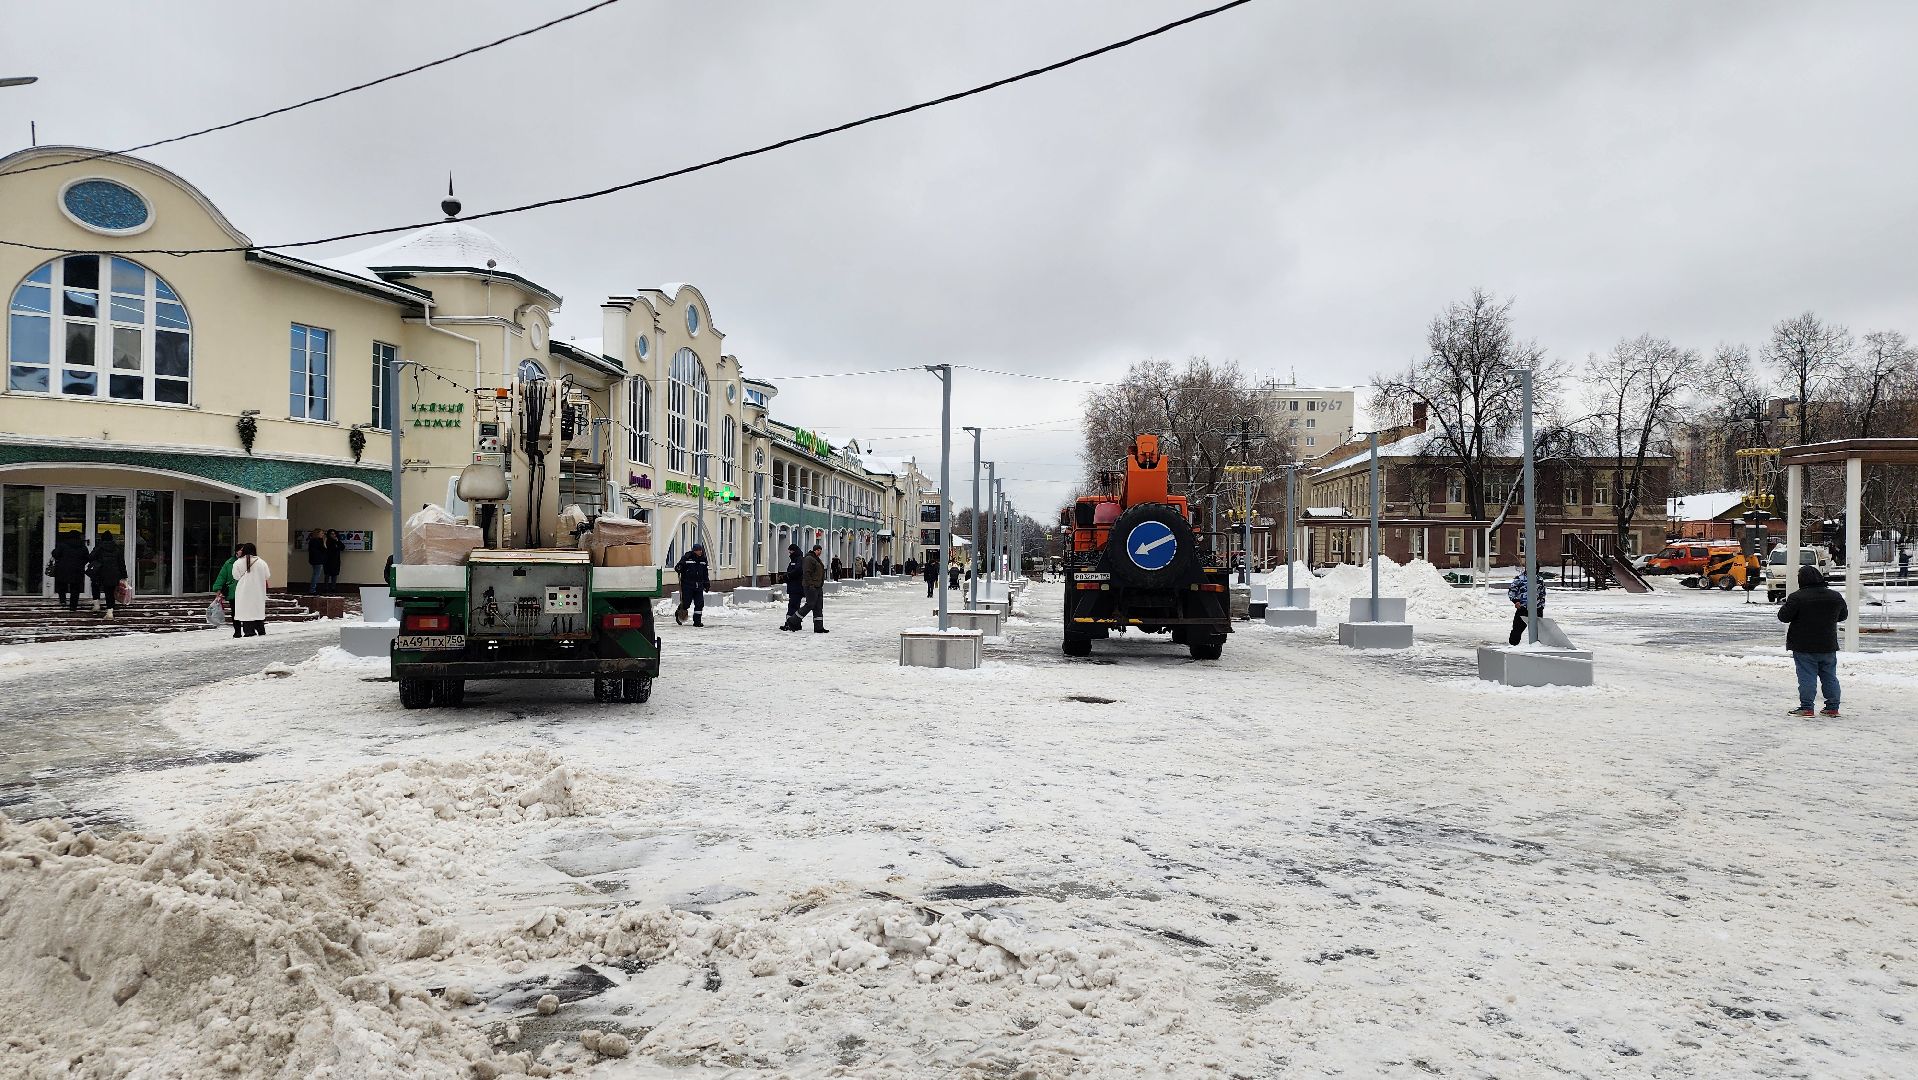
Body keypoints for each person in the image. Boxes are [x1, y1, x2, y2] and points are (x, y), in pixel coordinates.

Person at [1779, 565, 1846, 718]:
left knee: (1807, 676)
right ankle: (1832, 707)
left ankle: (1807, 708)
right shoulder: (1835, 596)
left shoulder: (1797, 597)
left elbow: (1784, 616)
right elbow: (1843, 616)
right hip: (1828, 644)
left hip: (1803, 645)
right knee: (1830, 676)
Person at [229, 542, 272, 637]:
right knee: (257, 610)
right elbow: (267, 575)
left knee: (246, 611)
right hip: (258, 590)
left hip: (243, 591)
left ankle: (248, 631)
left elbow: (235, 576)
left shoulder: (238, 562)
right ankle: (261, 630)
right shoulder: (261, 562)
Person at [85, 531, 127, 618]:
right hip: (114, 573)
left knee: (95, 586)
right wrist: (124, 575)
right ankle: (110, 611)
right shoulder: (117, 548)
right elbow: (121, 563)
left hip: (100, 572)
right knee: (110, 592)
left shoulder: (99, 547)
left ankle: (96, 605)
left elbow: (90, 558)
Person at [47, 530, 88, 612]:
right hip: (77, 569)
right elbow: (87, 557)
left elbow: (55, 554)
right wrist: (81, 564)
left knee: (61, 584)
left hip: (63, 568)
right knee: (75, 588)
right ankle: (73, 606)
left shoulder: (62, 545)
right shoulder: (82, 546)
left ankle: (62, 600)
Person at [1506, 570, 1546, 646]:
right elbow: (1512, 591)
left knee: (1538, 630)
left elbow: (1542, 593)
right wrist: (1516, 601)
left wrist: (1541, 606)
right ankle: (1513, 646)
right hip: (1523, 608)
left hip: (1537, 608)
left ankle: (1537, 647)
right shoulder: (1520, 579)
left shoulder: (1539, 579)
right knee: (1517, 629)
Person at [674, 542, 710, 627]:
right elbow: (678, 567)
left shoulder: (703, 560)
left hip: (699, 585)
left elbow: (705, 573)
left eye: (700, 550)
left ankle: (697, 622)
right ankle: (679, 613)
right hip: (687, 585)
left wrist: (706, 583)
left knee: (699, 603)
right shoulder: (687, 558)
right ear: (694, 551)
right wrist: (679, 568)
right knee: (686, 603)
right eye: (698, 550)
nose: (700, 552)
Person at [211, 545, 243, 638]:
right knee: (235, 612)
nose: (242, 552)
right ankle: (237, 631)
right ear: (236, 551)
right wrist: (218, 588)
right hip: (233, 591)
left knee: (245, 612)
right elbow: (222, 576)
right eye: (240, 550)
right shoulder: (229, 563)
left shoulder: (247, 562)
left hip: (245, 591)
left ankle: (248, 630)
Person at [797, 543, 828, 633]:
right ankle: (793, 620)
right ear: (814, 550)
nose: (820, 552)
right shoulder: (809, 559)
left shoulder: (817, 559)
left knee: (818, 607)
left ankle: (819, 627)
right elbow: (807, 573)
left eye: (820, 550)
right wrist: (810, 585)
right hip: (811, 586)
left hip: (818, 586)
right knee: (810, 604)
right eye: (818, 550)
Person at [781, 544, 806, 631]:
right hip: (794, 587)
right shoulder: (794, 559)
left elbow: (798, 571)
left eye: (791, 551)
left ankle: (790, 624)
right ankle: (794, 624)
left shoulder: (799, 559)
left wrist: (787, 576)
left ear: (794, 551)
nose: (789, 553)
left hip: (797, 587)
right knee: (793, 606)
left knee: (793, 606)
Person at [305, 528, 327, 594]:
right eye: (322, 533)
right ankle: (312, 589)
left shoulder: (312, 541)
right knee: (316, 575)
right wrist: (324, 542)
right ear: (318, 534)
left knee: (315, 574)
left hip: (313, 560)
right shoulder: (319, 541)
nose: (323, 534)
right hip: (318, 560)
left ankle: (312, 589)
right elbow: (324, 550)